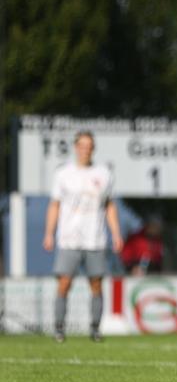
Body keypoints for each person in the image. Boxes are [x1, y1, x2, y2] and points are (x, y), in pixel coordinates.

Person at [42, 131, 122, 342]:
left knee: (96, 284)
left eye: (89, 145)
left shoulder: (104, 174)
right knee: (64, 283)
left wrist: (116, 233)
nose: (85, 149)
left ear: (93, 148)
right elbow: (54, 205)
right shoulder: (63, 174)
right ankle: (59, 329)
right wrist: (49, 233)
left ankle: (95, 329)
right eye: (82, 145)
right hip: (69, 239)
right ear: (76, 147)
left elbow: (109, 206)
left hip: (95, 239)